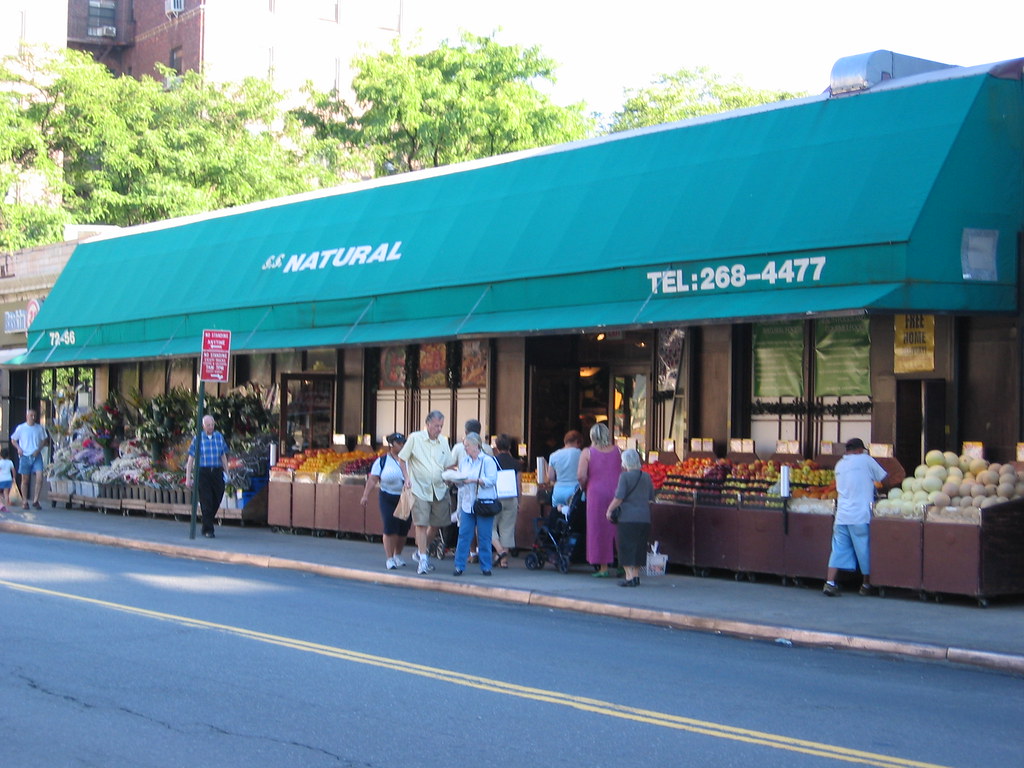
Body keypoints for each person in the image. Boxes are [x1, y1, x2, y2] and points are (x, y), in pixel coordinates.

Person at [823, 437, 887, 597]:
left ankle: (830, 582)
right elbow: (883, 477)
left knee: (837, 549)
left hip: (842, 515)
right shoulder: (865, 460)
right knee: (864, 549)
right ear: (860, 450)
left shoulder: (840, 464)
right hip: (861, 515)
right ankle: (866, 584)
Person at [398, 410, 452, 574]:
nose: (439, 429)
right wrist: (407, 477)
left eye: (441, 426)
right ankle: (423, 558)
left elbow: (448, 465)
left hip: (439, 489)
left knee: (437, 524)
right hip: (419, 488)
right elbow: (402, 459)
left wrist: (451, 476)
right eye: (436, 425)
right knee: (420, 524)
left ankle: (423, 549)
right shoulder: (415, 438)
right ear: (428, 424)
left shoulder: (443, 442)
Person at [361, 432, 411, 570]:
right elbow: (373, 479)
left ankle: (398, 554)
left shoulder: (408, 459)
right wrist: (365, 495)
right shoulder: (382, 461)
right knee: (390, 526)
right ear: (391, 445)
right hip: (387, 496)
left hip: (405, 496)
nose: (402, 445)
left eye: (403, 443)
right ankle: (389, 558)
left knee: (403, 527)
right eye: (399, 443)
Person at [605, 449, 655, 587]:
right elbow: (651, 498)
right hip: (644, 517)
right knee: (639, 547)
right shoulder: (646, 476)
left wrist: (609, 510)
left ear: (625, 462)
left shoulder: (624, 477)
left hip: (627, 518)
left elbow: (619, 497)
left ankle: (629, 577)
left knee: (626, 547)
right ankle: (636, 576)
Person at [577, 423, 621, 577]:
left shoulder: (587, 452)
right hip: (616, 492)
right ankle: (622, 563)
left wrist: (584, 486)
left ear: (592, 436)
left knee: (599, 529)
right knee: (617, 528)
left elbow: (581, 475)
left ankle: (603, 567)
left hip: (596, 493)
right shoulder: (618, 450)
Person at [451, 432, 498, 576]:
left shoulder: (488, 461)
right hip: (467, 503)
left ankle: (486, 567)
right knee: (464, 534)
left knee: (484, 536)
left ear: (476, 445)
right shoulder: (464, 462)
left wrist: (473, 480)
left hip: (483, 502)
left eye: (467, 446)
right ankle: (459, 566)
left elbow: (492, 480)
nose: (464, 449)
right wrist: (456, 481)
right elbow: (461, 482)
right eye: (464, 446)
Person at [185, 415, 231, 538]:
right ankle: (208, 529)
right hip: (203, 472)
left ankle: (207, 521)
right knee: (206, 501)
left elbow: (223, 456)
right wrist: (188, 478)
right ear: (203, 426)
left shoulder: (219, 437)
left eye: (212, 424)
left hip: (216, 471)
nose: (211, 427)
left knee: (218, 495)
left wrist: (227, 472)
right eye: (208, 425)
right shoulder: (198, 438)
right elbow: (190, 460)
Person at [491, 434, 521, 568]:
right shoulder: (516, 463)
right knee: (507, 529)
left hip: (495, 497)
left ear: (496, 446)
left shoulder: (492, 461)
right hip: (511, 497)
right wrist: (519, 501)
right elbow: (518, 484)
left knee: (488, 527)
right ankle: (503, 561)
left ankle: (500, 551)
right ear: (509, 446)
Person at [11, 408, 49, 510]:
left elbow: (45, 440)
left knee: (40, 477)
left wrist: (39, 449)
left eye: (35, 416)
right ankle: (24, 501)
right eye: (31, 415)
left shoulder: (39, 428)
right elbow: (13, 439)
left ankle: (36, 500)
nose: (33, 417)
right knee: (25, 480)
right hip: (24, 456)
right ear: (27, 416)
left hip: (36, 455)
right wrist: (19, 448)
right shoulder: (21, 428)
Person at [546, 430, 582, 510]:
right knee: (574, 517)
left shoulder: (553, 455)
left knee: (557, 515)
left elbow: (551, 477)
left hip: (558, 491)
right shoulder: (581, 454)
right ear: (577, 442)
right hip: (575, 491)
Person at [0, 447, 15, 512]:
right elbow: (13, 470)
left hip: (1, 479)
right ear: (8, 455)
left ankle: (1, 505)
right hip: (8, 479)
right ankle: (6, 507)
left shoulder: (0, 462)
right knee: (6, 493)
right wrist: (14, 478)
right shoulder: (10, 462)